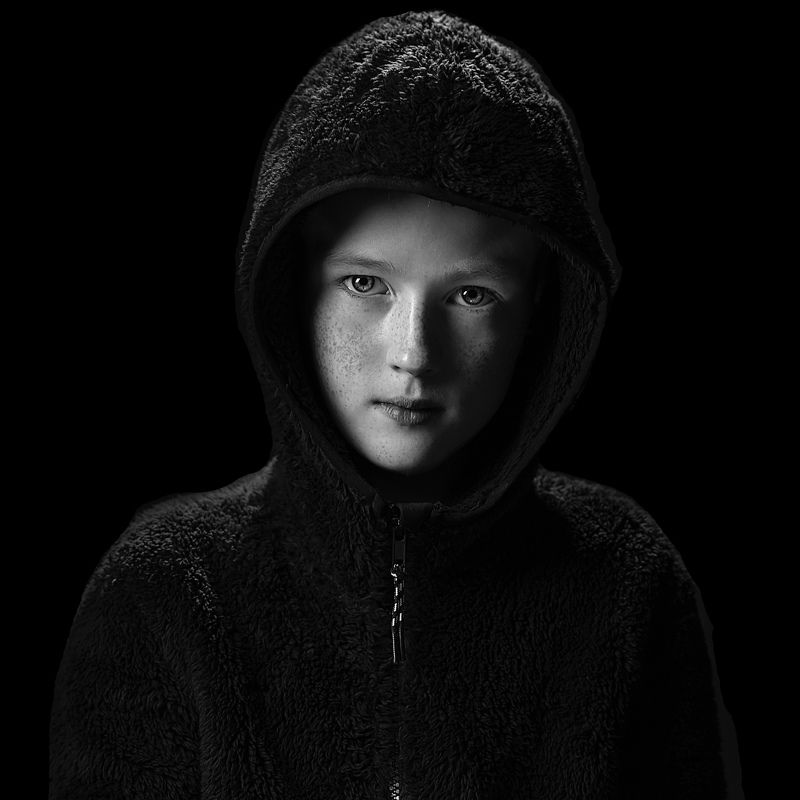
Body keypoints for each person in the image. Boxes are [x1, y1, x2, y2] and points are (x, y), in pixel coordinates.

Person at [50, 10, 742, 799]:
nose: (414, 351)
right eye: (365, 283)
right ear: (292, 291)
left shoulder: (627, 579)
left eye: (471, 294)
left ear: (540, 315)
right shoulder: (167, 591)